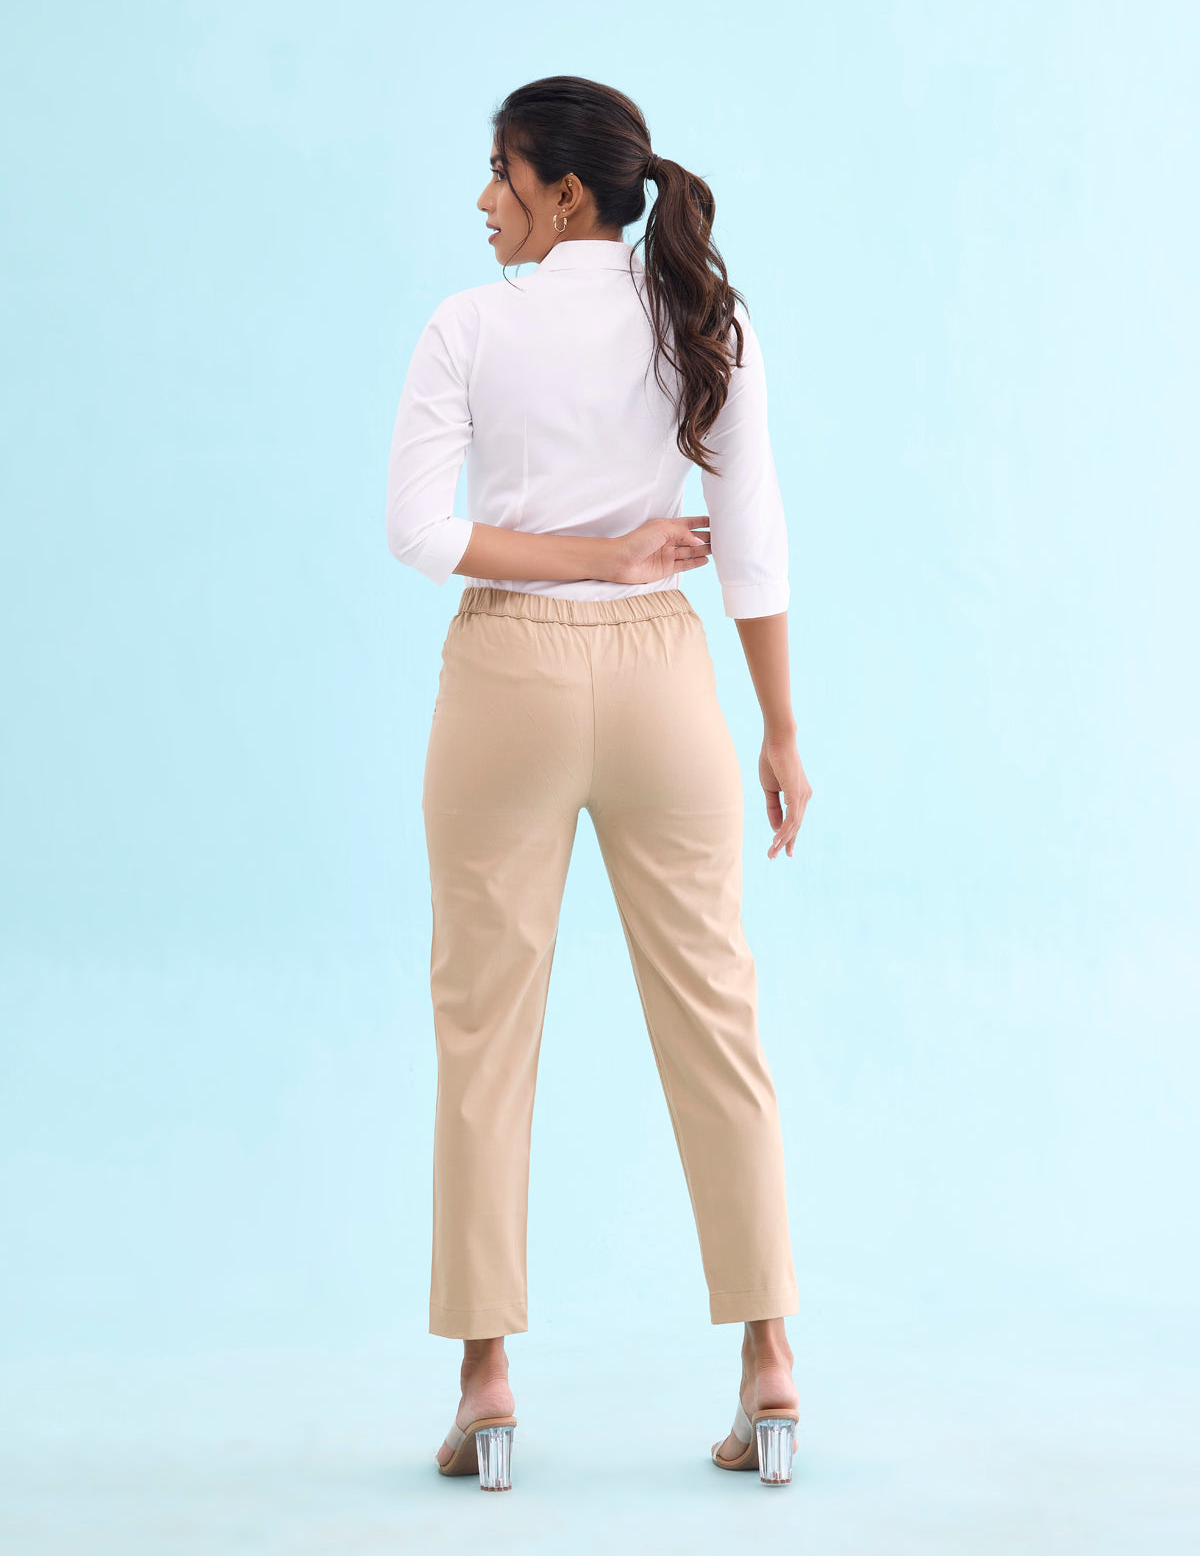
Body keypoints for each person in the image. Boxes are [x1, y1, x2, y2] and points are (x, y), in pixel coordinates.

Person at [385, 76, 813, 1489]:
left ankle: (487, 1385)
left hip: (505, 681)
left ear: (563, 192)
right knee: (717, 1016)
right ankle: (770, 1360)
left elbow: (419, 533)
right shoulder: (703, 321)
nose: (485, 200)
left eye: (501, 172)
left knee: (482, 1031)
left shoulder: (467, 327)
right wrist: (780, 730)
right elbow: (754, 542)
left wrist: (577, 558)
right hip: (662, 687)